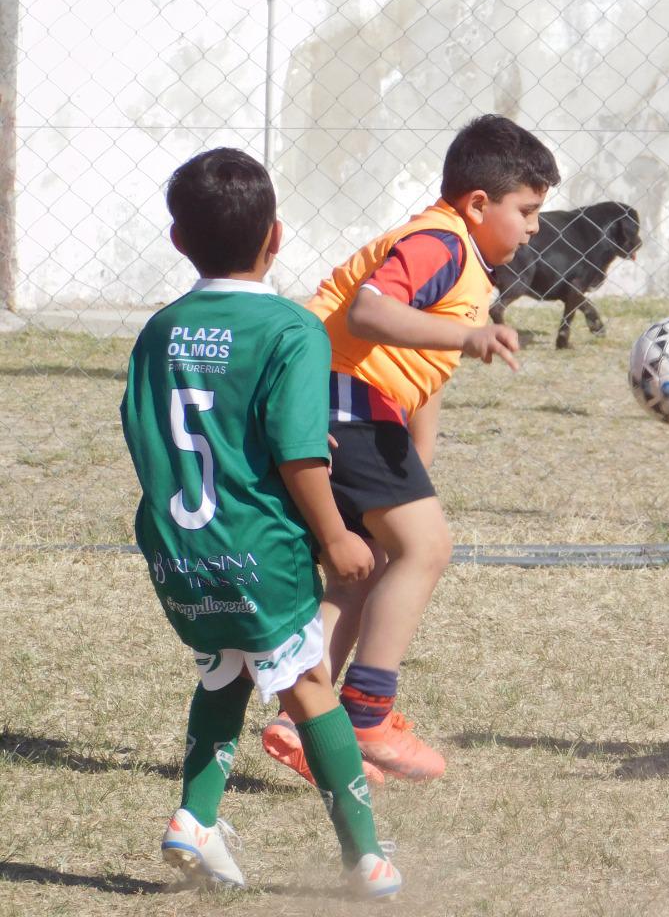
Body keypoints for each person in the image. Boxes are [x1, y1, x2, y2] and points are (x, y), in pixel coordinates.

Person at [120, 148, 401, 897]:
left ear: (180, 241)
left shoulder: (159, 331)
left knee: (227, 668)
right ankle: (366, 858)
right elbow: (301, 453)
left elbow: (152, 433)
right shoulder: (292, 329)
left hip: (180, 550)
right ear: (276, 236)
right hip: (260, 550)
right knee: (309, 682)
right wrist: (339, 537)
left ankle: (194, 817)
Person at [260, 114, 561, 785]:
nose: (536, 226)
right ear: (478, 204)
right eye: (528, 210)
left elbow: (417, 367)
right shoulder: (438, 241)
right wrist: (469, 339)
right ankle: (367, 712)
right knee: (426, 549)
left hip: (334, 403)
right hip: (340, 396)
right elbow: (370, 314)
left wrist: (416, 460)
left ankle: (302, 720)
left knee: (357, 569)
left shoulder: (465, 263)